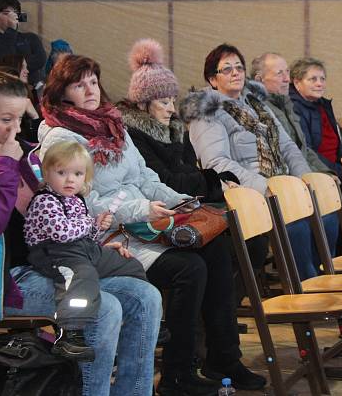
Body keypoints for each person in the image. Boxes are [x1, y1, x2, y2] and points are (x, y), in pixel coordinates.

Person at [38, 54, 265, 395]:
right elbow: (83, 201)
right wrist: (143, 208)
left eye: (93, 82)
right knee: (188, 268)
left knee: (217, 247)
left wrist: (180, 201)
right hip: (107, 233)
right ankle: (177, 373)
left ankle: (222, 358)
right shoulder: (61, 137)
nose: (89, 90)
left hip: (143, 223)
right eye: (78, 84)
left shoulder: (113, 123)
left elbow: (145, 176)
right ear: (62, 92)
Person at [0, 70, 162, 395]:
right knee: (104, 308)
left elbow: (62, 209)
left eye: (20, 118)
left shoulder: (29, 153)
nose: (16, 129)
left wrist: (91, 248)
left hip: (50, 265)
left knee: (146, 297)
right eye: (6, 119)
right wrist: (4, 166)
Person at [182, 44, 324, 281]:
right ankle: (307, 285)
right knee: (297, 222)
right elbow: (215, 162)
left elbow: (288, 147)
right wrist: (265, 187)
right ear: (212, 79)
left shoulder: (256, 103)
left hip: (280, 182)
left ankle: (319, 277)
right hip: (249, 191)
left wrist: (304, 179)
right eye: (226, 69)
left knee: (323, 210)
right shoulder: (206, 111)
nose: (236, 73)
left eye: (239, 67)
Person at [25, 141, 148, 361]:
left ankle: (136, 320)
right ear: (47, 173)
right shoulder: (44, 200)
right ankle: (70, 333)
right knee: (81, 276)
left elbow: (84, 236)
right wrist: (90, 223)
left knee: (130, 264)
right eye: (61, 172)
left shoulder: (76, 201)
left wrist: (97, 227)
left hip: (82, 249)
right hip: (54, 253)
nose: (70, 179)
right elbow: (61, 233)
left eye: (78, 173)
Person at [118, 39, 237, 202]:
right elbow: (166, 182)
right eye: (164, 102)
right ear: (142, 103)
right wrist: (215, 183)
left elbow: (190, 172)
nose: (172, 109)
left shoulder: (177, 131)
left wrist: (223, 180)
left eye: (173, 101)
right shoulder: (134, 137)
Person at [252, 52, 340, 257]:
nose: (286, 79)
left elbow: (302, 148)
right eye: (279, 73)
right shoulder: (260, 109)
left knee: (329, 213)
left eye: (287, 72)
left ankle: (327, 273)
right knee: (305, 223)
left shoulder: (284, 104)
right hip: (279, 183)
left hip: (299, 177)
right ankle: (311, 279)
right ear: (259, 79)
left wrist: (324, 172)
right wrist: (305, 181)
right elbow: (274, 156)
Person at [0, 0, 46, 86]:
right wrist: (11, 30)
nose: (12, 17)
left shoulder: (30, 38)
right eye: (6, 13)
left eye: (15, 13)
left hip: (31, 88)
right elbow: (1, 62)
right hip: (1, 89)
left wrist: (13, 62)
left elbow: (40, 60)